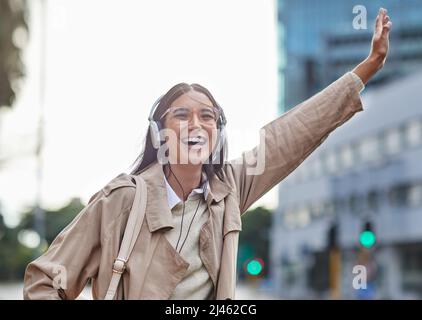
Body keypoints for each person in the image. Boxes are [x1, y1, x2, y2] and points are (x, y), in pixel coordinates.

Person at [23, 8, 392, 300]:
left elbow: (292, 135)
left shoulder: (230, 187)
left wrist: (368, 66)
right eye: (181, 115)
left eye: (208, 117)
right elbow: (44, 281)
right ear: (159, 132)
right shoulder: (121, 201)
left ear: (218, 133)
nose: (196, 124)